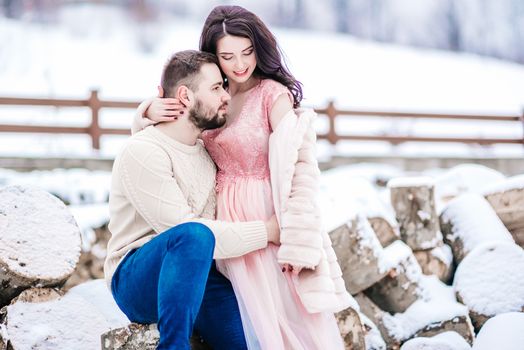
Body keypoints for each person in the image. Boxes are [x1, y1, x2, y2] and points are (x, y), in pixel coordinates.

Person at [134, 5, 353, 349]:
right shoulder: (210, 96)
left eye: (247, 53)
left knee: (282, 315)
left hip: (265, 212)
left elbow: (300, 165)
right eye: (228, 56)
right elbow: (164, 142)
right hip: (222, 217)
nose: (239, 65)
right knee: (245, 316)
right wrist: (146, 111)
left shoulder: (271, 94)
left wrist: (295, 233)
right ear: (213, 56)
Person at [104, 49, 281, 350]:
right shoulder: (143, 152)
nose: (226, 95)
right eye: (216, 88)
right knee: (193, 235)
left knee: (247, 342)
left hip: (200, 273)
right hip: (137, 278)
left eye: (224, 86)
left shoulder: (205, 151)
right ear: (184, 96)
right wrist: (267, 231)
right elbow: (186, 231)